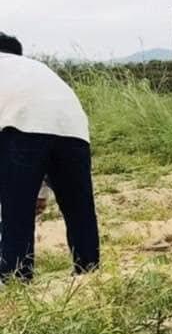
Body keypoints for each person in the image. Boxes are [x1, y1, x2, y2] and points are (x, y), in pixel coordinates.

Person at [0, 34, 100, 282]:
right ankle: (88, 269)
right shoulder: (34, 68)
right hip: (73, 126)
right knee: (79, 206)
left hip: (22, 123)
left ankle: (16, 276)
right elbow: (45, 133)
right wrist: (42, 192)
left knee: (16, 206)